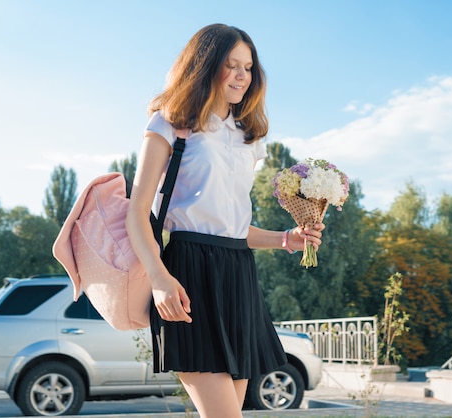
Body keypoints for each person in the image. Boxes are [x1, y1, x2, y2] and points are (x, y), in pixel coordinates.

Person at [126, 24, 325, 417]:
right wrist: (159, 278)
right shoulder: (170, 123)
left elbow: (232, 227)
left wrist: (287, 239)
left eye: (248, 68)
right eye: (231, 65)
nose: (241, 76)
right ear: (205, 65)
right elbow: (137, 212)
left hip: (239, 277)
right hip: (187, 276)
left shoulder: (247, 136)